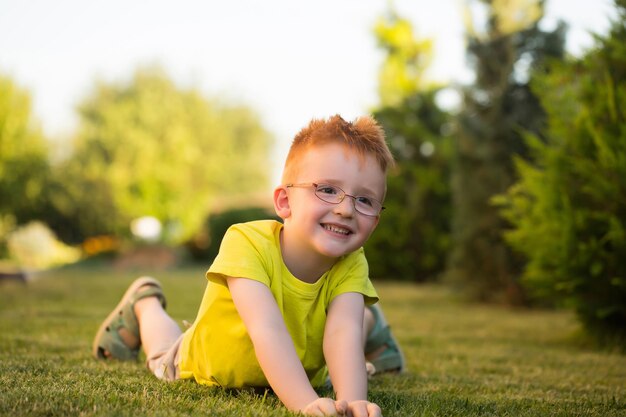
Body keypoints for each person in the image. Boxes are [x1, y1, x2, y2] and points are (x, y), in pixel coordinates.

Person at [93, 114, 405, 417]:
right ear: (284, 202)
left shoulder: (352, 262)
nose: (346, 209)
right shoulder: (247, 243)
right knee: (163, 352)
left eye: (364, 200)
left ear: (375, 221)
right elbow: (266, 329)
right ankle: (144, 303)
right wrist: (305, 403)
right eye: (327, 190)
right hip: (205, 362)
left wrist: (352, 404)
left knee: (349, 320)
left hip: (303, 357)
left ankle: (365, 318)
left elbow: (342, 333)